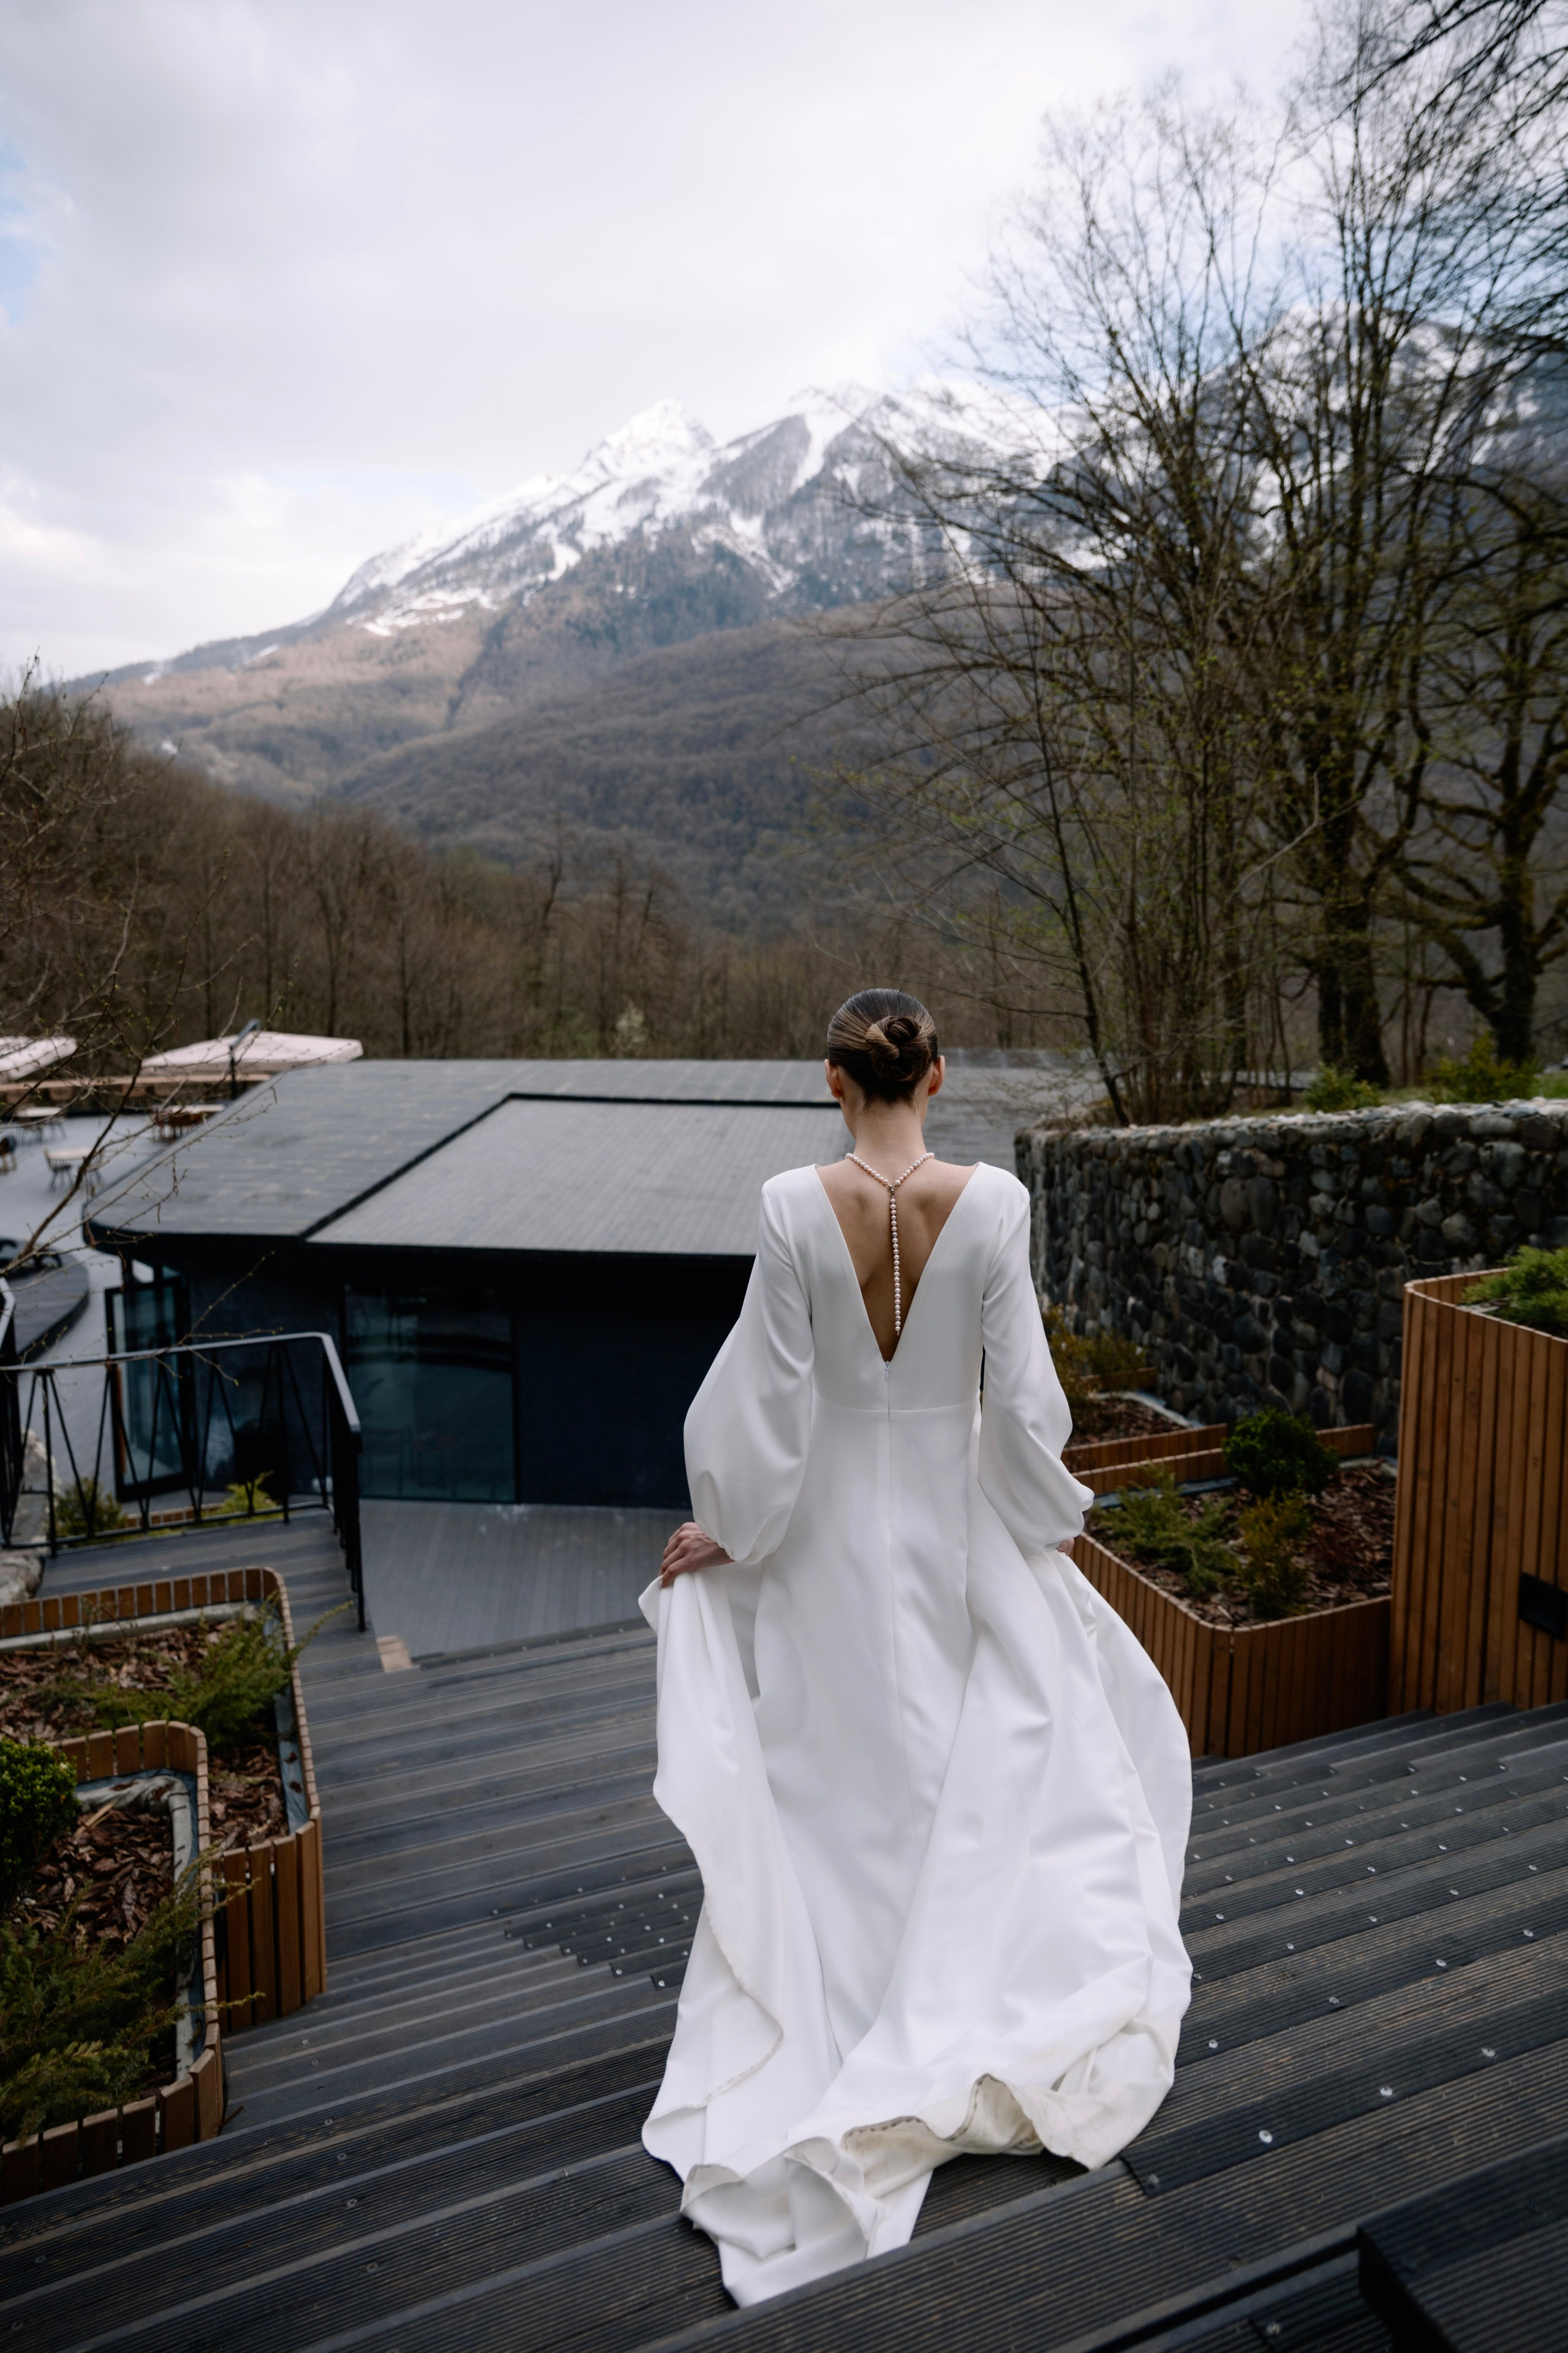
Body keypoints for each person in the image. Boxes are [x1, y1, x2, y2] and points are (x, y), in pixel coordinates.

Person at [640, 988, 1191, 2307]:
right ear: (934, 1077)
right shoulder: (992, 1204)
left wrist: (729, 1527)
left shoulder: (787, 1206)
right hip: (947, 1519)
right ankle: (967, 1989)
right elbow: (1024, 1394)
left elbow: (772, 1403)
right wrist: (1035, 1512)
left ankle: (849, 2001)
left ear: (832, 1079)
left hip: (830, 1527)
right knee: (971, 1747)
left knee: (834, 1774)